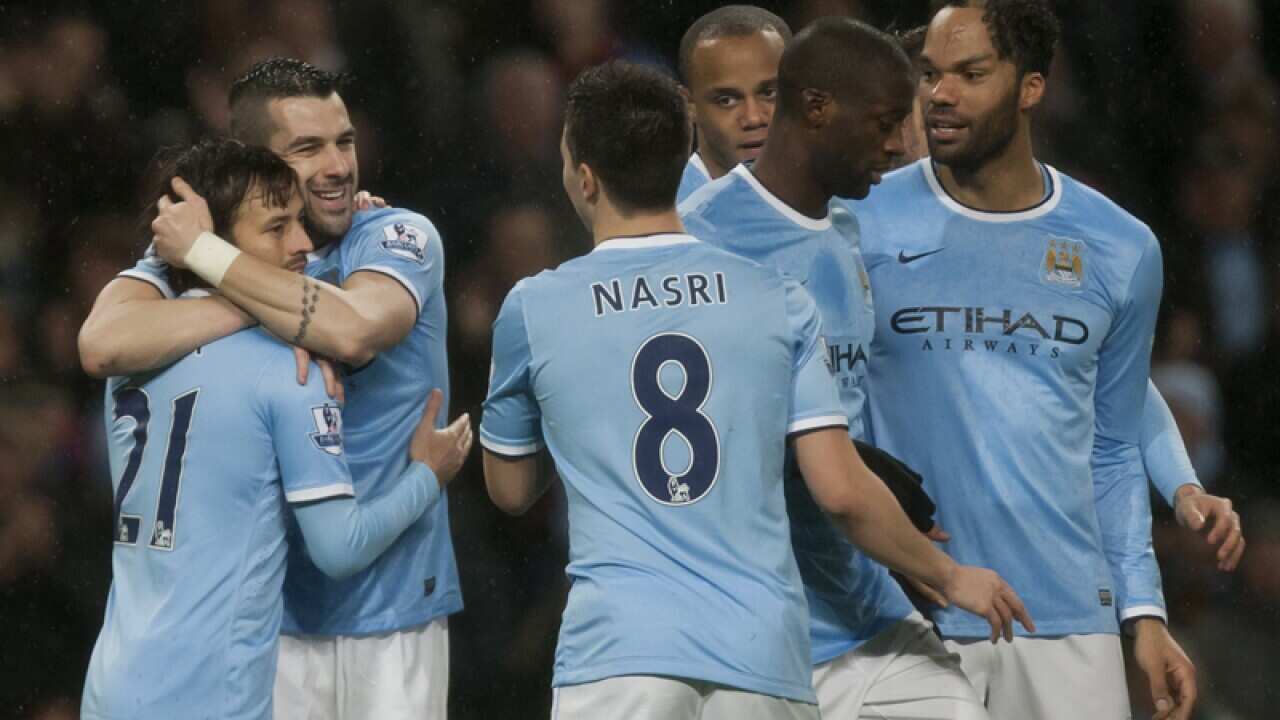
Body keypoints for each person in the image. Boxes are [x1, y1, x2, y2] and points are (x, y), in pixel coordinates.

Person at [482, 58, 1030, 720]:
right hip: (761, 650)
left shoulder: (535, 307)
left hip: (622, 650)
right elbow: (842, 490)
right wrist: (950, 576)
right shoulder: (777, 299)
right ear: (682, 153)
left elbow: (511, 491)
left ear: (586, 177)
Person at [77, 58, 459, 719]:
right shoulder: (211, 250)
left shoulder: (394, 235)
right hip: (267, 625)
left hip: (393, 609)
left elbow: (355, 331)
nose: (338, 165)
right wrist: (235, 286)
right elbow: (102, 343)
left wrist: (214, 264)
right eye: (308, 148)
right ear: (260, 164)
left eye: (345, 141)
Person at [850, 2, 1196, 718]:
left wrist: (1144, 611)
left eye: (970, 74)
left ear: (1031, 87)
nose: (939, 95)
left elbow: (1113, 444)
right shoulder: (858, 219)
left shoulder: (1120, 247)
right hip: (906, 620)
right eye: (930, 75)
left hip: (1067, 619)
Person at [681, 17, 1008, 719]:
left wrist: (886, 527)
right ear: (820, 110)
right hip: (756, 634)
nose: (897, 147)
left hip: (867, 607)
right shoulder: (701, 242)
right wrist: (944, 574)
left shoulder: (844, 226)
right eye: (886, 124)